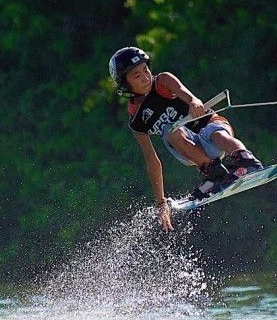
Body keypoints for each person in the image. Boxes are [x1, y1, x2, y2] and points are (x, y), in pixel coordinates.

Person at [109, 46, 264, 232]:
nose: (145, 77)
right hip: (191, 150)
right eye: (136, 76)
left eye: (146, 70)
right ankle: (215, 173)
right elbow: (152, 161)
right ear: (125, 85)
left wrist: (194, 102)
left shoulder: (163, 81)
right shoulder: (137, 120)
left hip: (210, 127)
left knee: (216, 133)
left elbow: (189, 96)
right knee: (171, 130)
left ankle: (245, 159)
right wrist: (161, 203)